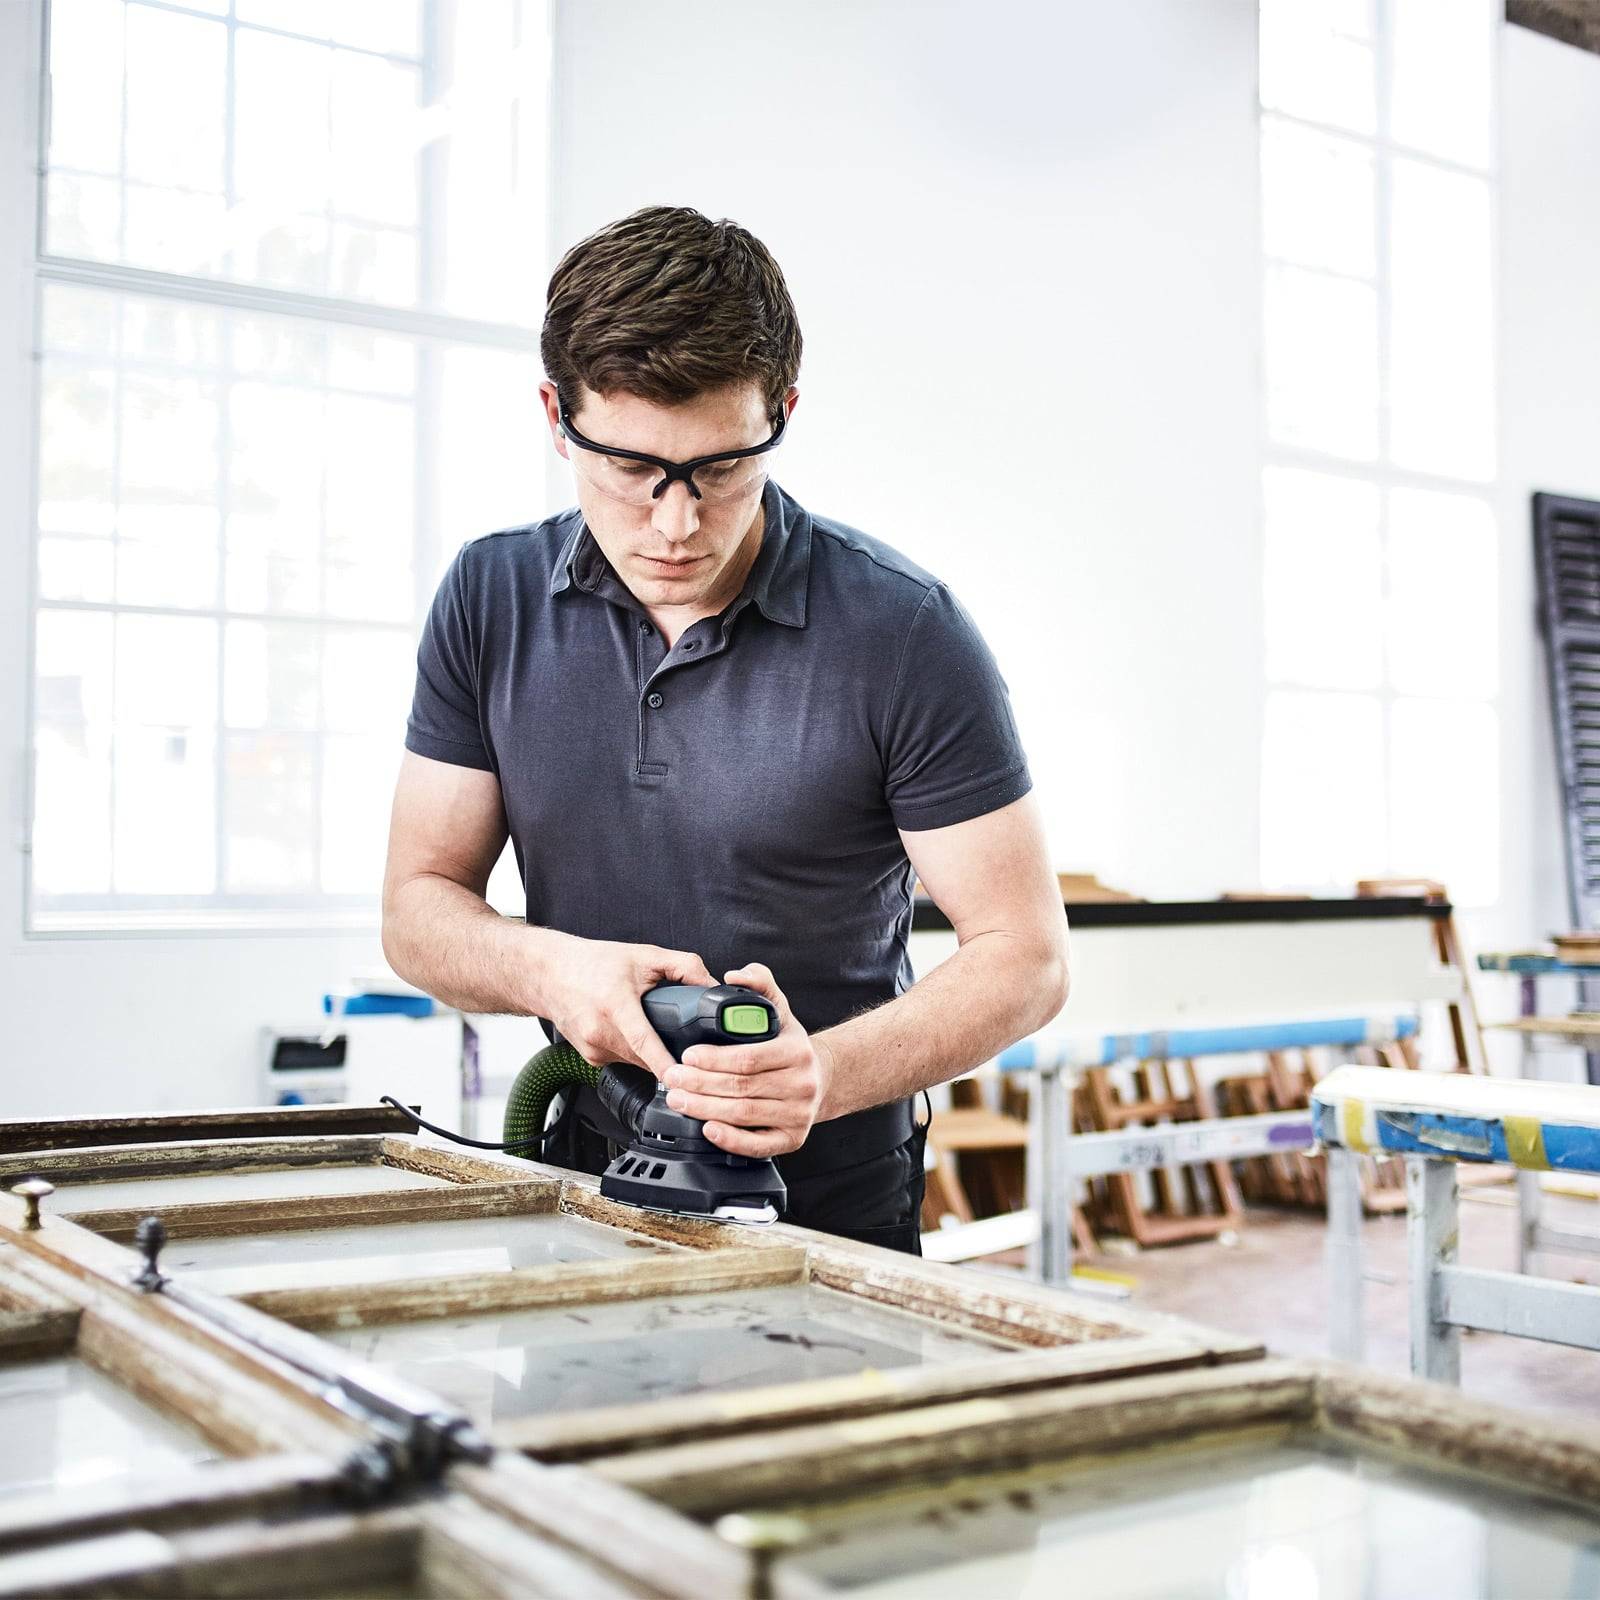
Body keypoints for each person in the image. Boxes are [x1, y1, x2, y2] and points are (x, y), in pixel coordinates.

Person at [383, 205, 1069, 1253]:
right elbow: (416, 911)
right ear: (554, 414)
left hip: (829, 1204)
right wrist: (556, 973)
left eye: (719, 469)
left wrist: (818, 1076)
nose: (673, 522)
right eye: (628, 468)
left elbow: (1023, 958)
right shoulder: (490, 598)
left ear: (782, 412)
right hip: (582, 1179)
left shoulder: (903, 632)